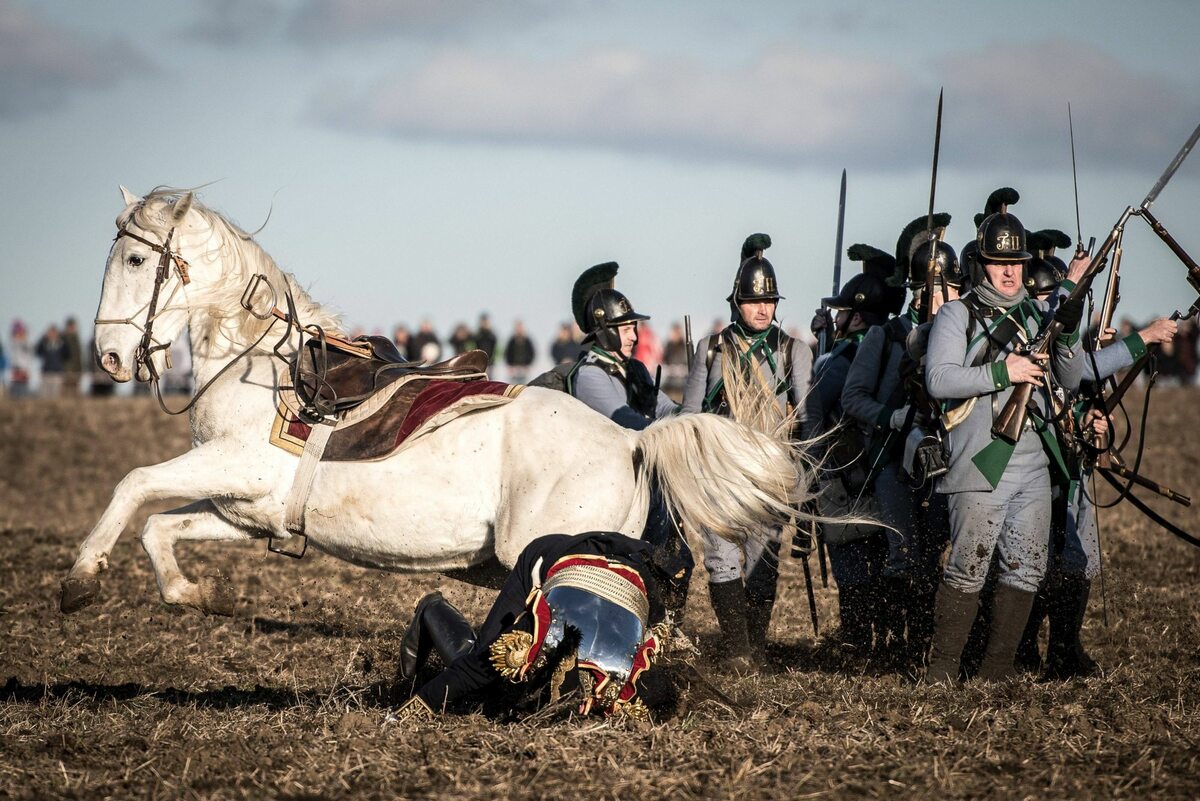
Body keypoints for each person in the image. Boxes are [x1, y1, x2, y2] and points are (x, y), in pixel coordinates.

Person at [923, 210, 1085, 683]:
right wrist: (1003, 372)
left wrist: (1069, 331)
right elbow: (939, 379)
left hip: (1035, 462)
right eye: (999, 261)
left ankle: (996, 673)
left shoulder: (1039, 313)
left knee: (1026, 569)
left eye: (1016, 260)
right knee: (966, 568)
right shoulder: (958, 314)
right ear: (981, 264)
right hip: (980, 459)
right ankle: (942, 671)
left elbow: (1070, 379)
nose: (1010, 270)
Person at [1014, 230, 1179, 678]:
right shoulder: (1025, 335)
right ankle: (1024, 648)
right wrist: (1143, 337)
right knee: (1033, 560)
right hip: (1035, 463)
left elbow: (1081, 374)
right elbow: (1081, 370)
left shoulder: (1061, 338)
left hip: (1071, 460)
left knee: (1078, 556)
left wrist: (1091, 419)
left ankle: (1065, 649)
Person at [682, 233, 812, 667]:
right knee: (720, 559)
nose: (763, 308)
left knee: (762, 562)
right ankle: (737, 649)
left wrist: (806, 484)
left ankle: (756, 645)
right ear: (736, 302)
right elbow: (690, 415)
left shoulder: (794, 350)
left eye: (770, 301)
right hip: (720, 471)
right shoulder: (712, 348)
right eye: (754, 301)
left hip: (768, 470)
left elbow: (806, 421)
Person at [393, 531, 686, 720]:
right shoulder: (531, 642)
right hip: (550, 556)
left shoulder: (627, 679)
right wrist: (401, 717)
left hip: (631, 572)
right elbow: (471, 672)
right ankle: (432, 609)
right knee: (484, 667)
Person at [840, 217, 958, 666]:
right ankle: (898, 647)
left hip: (950, 459)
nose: (944, 297)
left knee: (936, 555)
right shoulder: (883, 336)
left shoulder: (961, 334)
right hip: (893, 459)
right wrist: (893, 416)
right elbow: (854, 397)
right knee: (903, 552)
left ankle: (930, 646)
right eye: (937, 289)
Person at [803, 255, 894, 656]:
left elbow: (813, 410)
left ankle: (857, 639)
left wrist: (812, 465)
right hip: (880, 467)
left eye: (843, 313)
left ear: (856, 319)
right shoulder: (886, 347)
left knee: (851, 556)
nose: (837, 319)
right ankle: (883, 636)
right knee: (881, 556)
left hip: (845, 471)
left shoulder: (842, 360)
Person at [35, 324, 67, 397]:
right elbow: (37, 351)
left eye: (54, 332)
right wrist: (43, 338)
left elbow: (67, 354)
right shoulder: (44, 344)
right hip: (46, 372)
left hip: (57, 372)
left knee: (56, 395)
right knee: (44, 395)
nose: (52, 334)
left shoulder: (61, 344)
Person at [62, 317, 83, 396]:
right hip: (65, 370)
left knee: (75, 393)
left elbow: (79, 356)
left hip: (76, 370)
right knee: (65, 392)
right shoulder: (62, 339)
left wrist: (80, 369)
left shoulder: (77, 339)